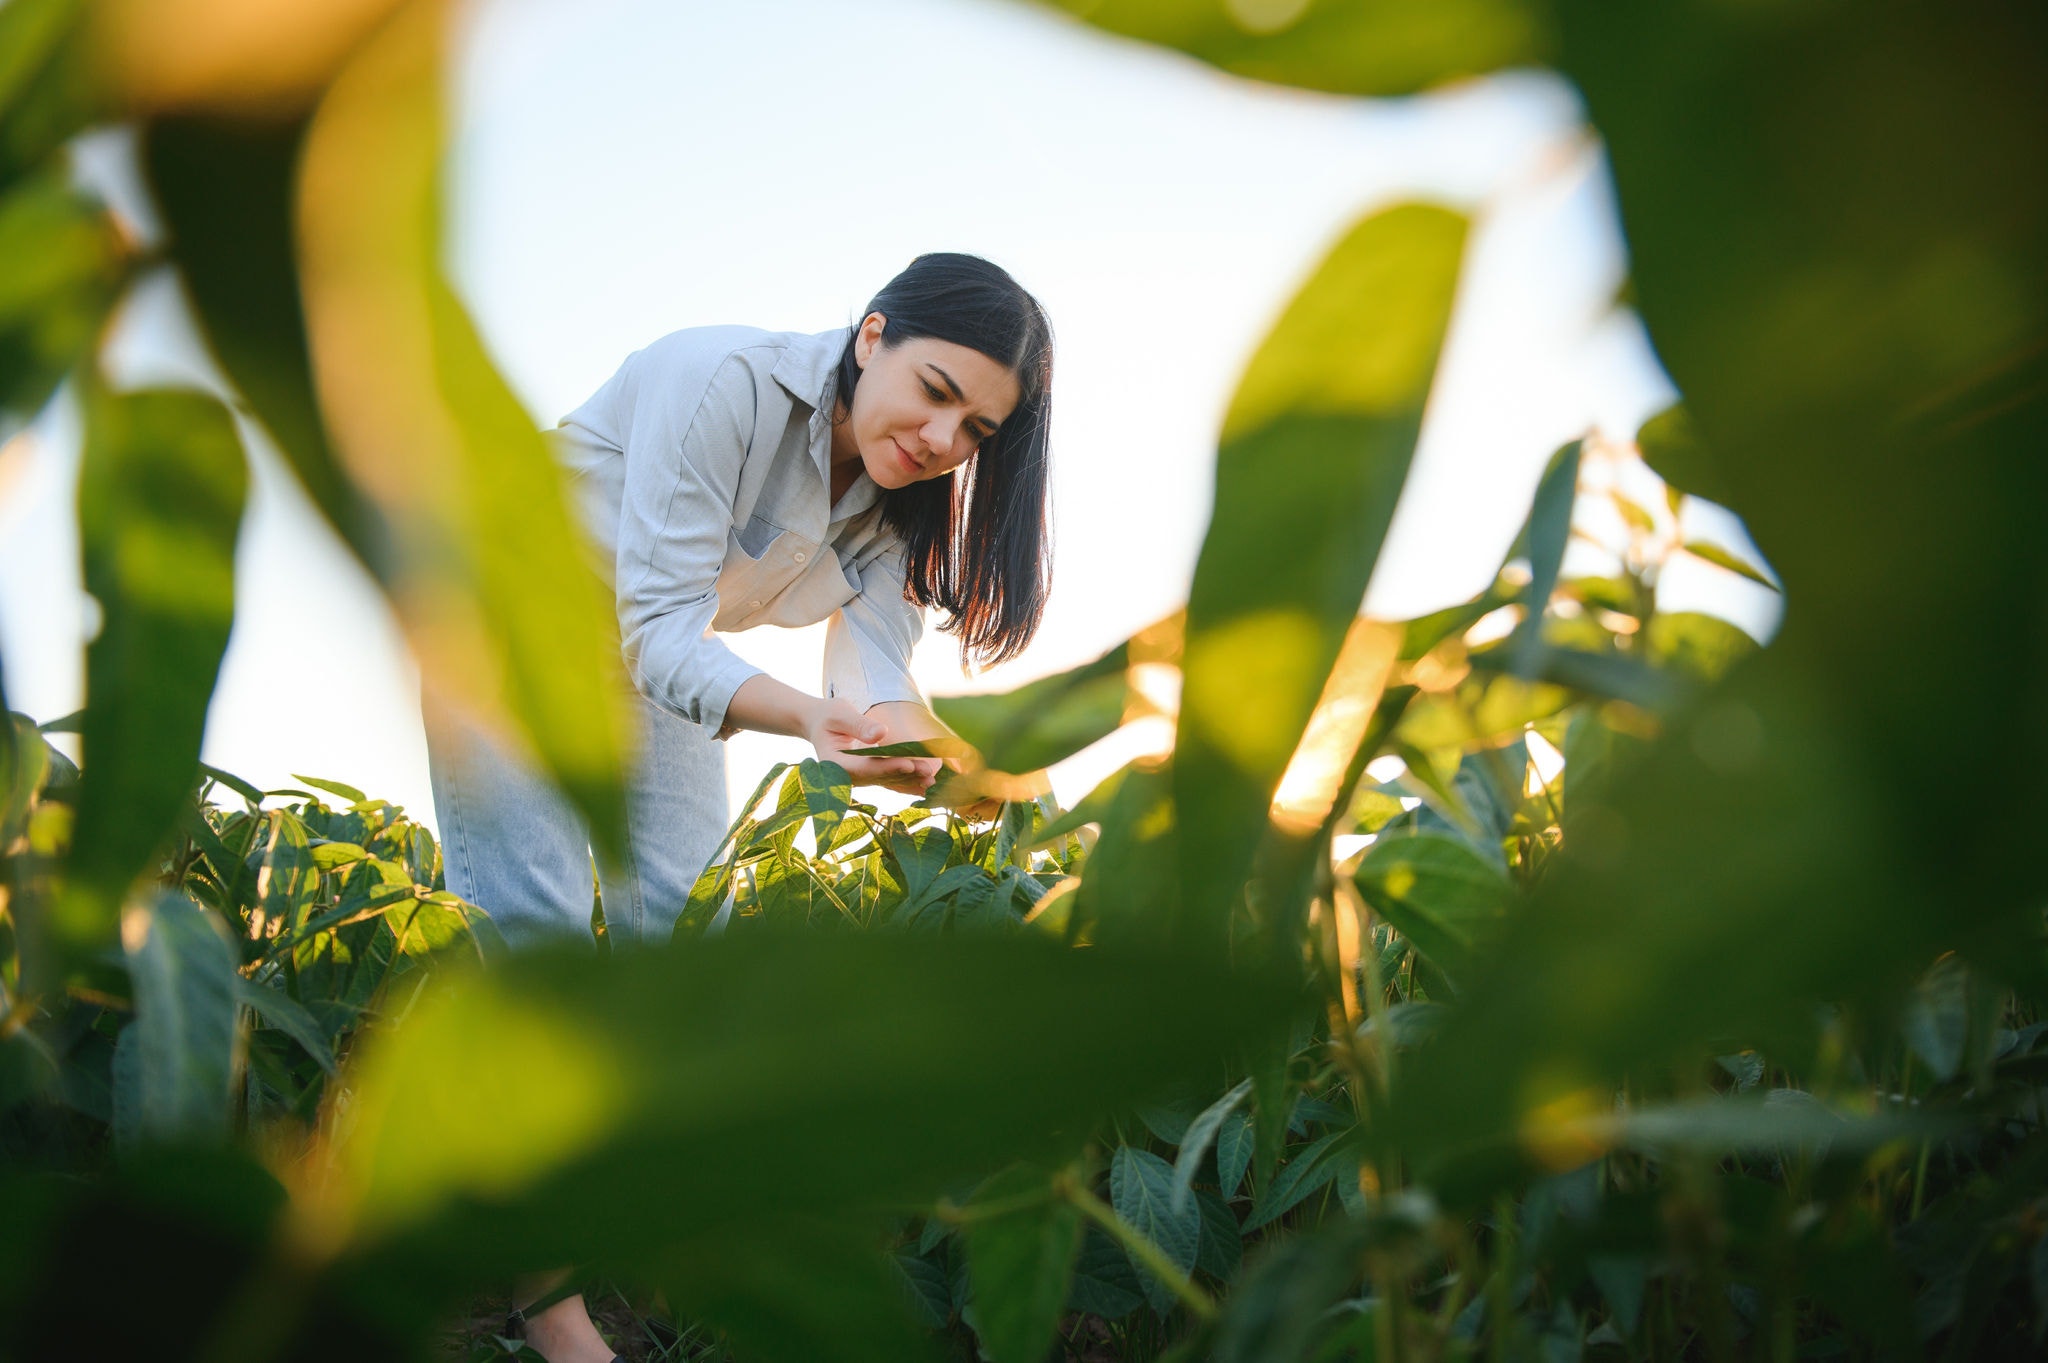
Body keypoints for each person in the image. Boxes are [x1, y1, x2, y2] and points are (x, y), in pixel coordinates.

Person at [422, 252, 1053, 1362]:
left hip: (643, 655)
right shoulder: (722, 380)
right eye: (938, 392)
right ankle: (550, 1310)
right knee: (543, 943)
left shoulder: (896, 511)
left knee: (689, 931)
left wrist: (949, 759)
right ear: (871, 337)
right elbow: (662, 627)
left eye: (978, 433)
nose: (943, 441)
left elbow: (872, 686)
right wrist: (810, 721)